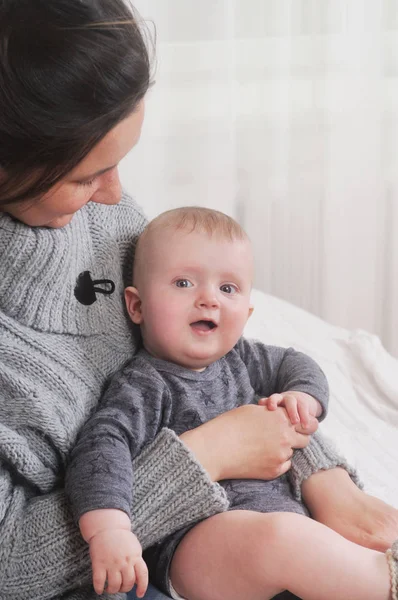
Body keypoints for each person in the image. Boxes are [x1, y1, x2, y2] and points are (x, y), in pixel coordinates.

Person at [0, 2, 397, 600]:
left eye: (118, 166)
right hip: (150, 552)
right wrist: (208, 453)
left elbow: (228, 367)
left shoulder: (109, 222)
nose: (115, 196)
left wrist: (325, 478)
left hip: (265, 508)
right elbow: (10, 564)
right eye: (86, 176)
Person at [65, 207, 398, 600]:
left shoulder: (243, 357)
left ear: (247, 313)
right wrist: (111, 530)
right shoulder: (144, 384)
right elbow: (102, 449)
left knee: (315, 545)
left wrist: (303, 397)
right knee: (283, 540)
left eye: (228, 289)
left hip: (281, 531)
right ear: (136, 306)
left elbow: (297, 363)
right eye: (184, 282)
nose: (208, 300)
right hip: (197, 541)